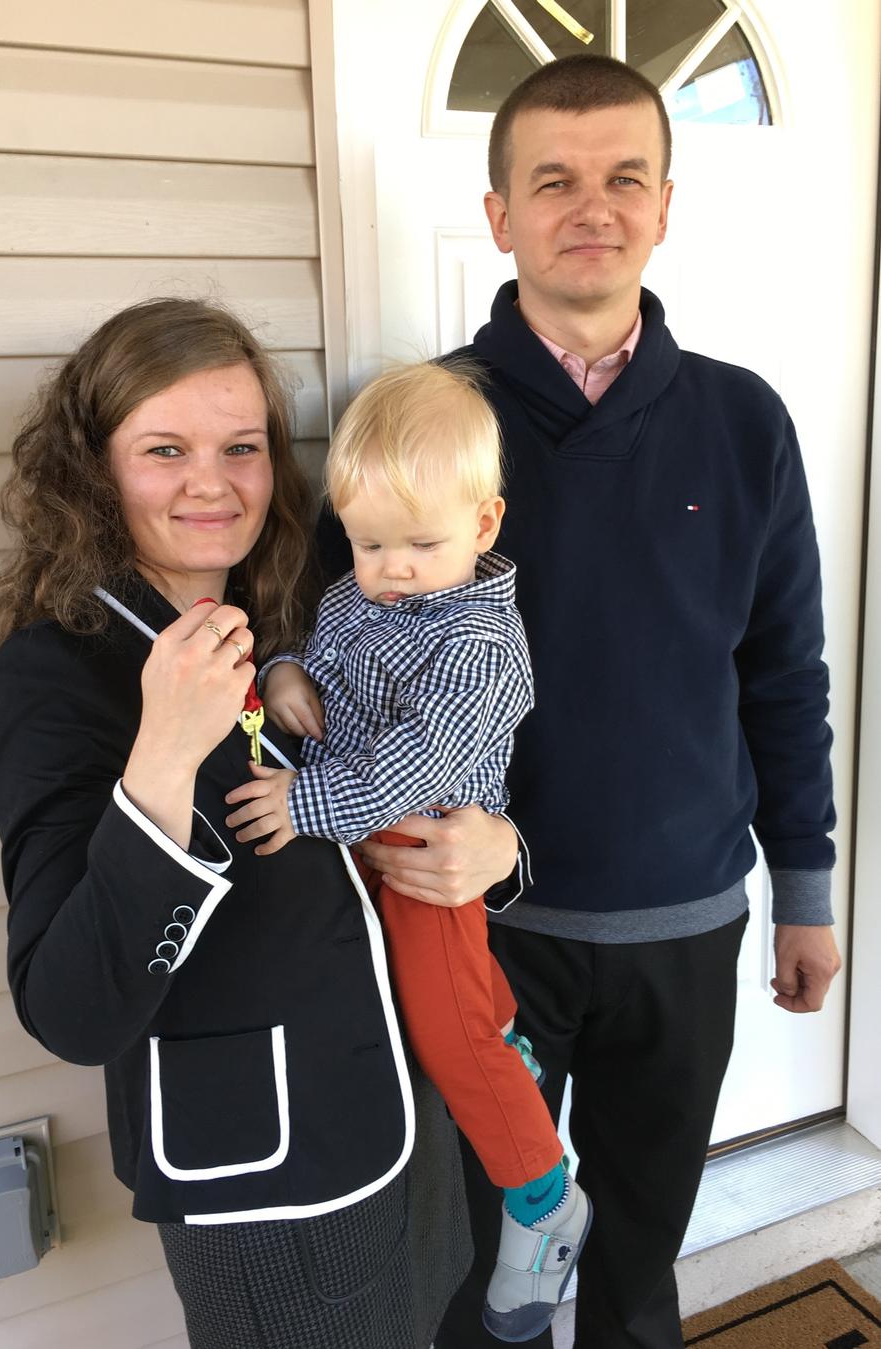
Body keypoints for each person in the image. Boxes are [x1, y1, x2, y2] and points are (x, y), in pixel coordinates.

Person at [316, 54, 842, 1349]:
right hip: (479, 934)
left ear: (666, 204)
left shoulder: (743, 421)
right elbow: (347, 685)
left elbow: (782, 672)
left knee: (640, 1256)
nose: (590, 207)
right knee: (478, 1263)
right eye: (553, 180)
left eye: (623, 178)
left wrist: (808, 892)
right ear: (500, 213)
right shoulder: (420, 423)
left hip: (684, 922)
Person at [0, 298, 475, 1349]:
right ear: (97, 468)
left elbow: (417, 784)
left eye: (241, 446)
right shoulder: (57, 667)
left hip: (405, 1103)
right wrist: (164, 749)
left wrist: (500, 852)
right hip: (274, 1179)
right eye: (166, 449)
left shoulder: (295, 611)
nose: (213, 480)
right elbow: (70, 1008)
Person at [225, 360, 592, 1342]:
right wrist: (284, 666)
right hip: (361, 845)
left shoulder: (479, 644)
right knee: (451, 1006)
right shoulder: (360, 593)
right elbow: (325, 652)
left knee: (445, 1027)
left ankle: (542, 1195)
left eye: (418, 543)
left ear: (483, 524)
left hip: (426, 851)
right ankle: (504, 1042)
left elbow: (400, 770)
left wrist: (301, 799)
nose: (387, 567)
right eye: (368, 539)